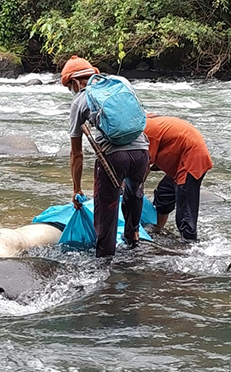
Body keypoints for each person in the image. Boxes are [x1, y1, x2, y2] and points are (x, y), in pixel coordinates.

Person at [60, 55, 150, 257]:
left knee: (106, 210)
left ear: (74, 81)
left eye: (69, 87)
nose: (71, 92)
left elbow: (77, 153)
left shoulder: (80, 100)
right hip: (142, 153)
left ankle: (105, 260)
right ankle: (133, 240)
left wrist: (76, 189)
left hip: (112, 158)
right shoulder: (121, 83)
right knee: (134, 194)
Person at [144, 114, 213, 241]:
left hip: (192, 161)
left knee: (185, 212)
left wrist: (134, 189)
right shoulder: (144, 121)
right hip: (180, 159)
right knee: (163, 195)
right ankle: (158, 230)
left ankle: (189, 245)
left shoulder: (146, 132)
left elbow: (143, 166)